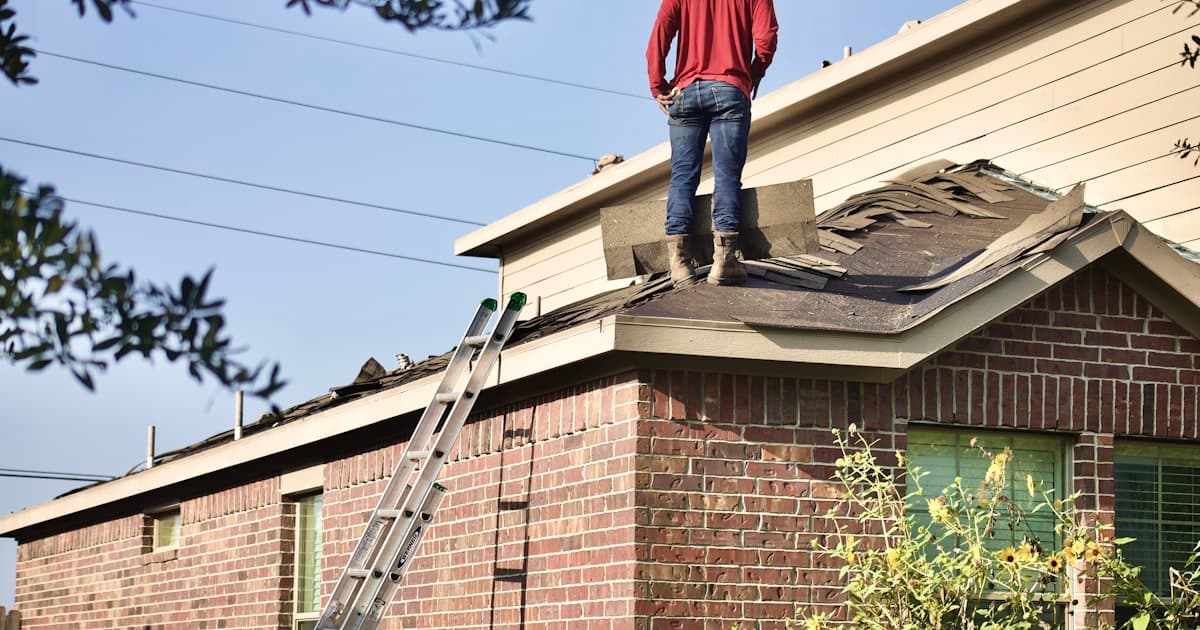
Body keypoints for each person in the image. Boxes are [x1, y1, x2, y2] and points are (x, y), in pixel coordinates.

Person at [646, 0, 778, 286]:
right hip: (730, 89)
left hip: (685, 91)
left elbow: (659, 35)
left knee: (682, 177)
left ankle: (680, 265)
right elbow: (766, 39)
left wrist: (658, 85)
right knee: (727, 176)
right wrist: (752, 74)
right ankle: (724, 261)